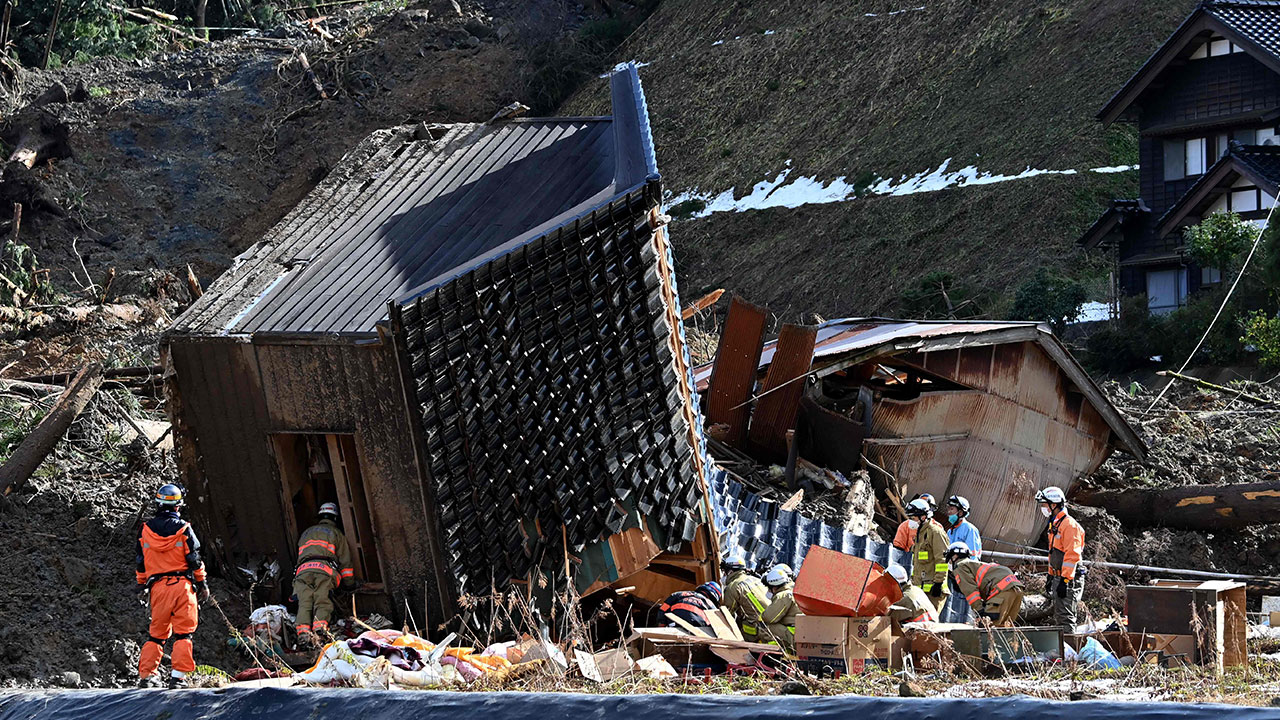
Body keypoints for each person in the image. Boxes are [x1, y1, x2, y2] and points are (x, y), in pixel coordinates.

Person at [135, 483, 208, 689]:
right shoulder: (184, 528)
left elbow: (140, 562)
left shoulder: (145, 530)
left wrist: (142, 586)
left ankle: (147, 676)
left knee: (156, 634)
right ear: (178, 506)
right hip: (183, 587)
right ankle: (178, 678)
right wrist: (202, 583)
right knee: (184, 634)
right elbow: (194, 560)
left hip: (158, 588)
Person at [293, 503, 355, 641]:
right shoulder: (336, 533)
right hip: (324, 571)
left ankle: (303, 634)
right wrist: (349, 584)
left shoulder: (306, 533)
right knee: (322, 601)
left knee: (304, 602)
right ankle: (319, 633)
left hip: (302, 572)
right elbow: (345, 564)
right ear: (335, 518)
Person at [1037, 486, 1085, 628]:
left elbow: (1072, 555)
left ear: (1054, 504)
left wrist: (1065, 580)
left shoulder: (1069, 525)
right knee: (1060, 615)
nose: (1043, 508)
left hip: (1069, 579)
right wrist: (1051, 576)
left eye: (1045, 505)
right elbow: (1054, 553)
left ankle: (1069, 648)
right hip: (1060, 577)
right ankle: (1065, 647)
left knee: (1066, 618)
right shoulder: (1056, 523)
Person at [945, 542, 1024, 627]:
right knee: (1005, 627)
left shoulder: (960, 566)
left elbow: (970, 591)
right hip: (1016, 588)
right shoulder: (974, 564)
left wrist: (980, 610)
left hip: (1001, 590)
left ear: (954, 556)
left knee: (987, 626)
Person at [941, 495, 982, 623]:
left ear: (961, 512)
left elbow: (973, 557)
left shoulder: (970, 530)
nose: (948, 512)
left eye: (951, 509)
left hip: (964, 574)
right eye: (948, 509)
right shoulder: (949, 531)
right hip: (951, 573)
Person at [906, 498, 950, 611]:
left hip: (933, 591)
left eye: (913, 518)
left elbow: (943, 559)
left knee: (929, 625)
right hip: (920, 590)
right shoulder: (920, 535)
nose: (910, 521)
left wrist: (938, 583)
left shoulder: (935, 532)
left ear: (923, 517)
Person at [721, 554, 770, 642]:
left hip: (759, 629)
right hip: (772, 624)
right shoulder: (755, 579)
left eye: (724, 572)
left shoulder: (733, 587)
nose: (723, 575)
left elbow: (727, 615)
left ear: (730, 572)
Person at [761, 564, 798, 652]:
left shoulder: (783, 595)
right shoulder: (794, 588)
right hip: (801, 634)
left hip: (795, 636)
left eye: (769, 587)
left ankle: (774, 653)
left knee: (767, 628)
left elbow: (768, 618)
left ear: (774, 587)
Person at [658, 582, 723, 630]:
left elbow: (663, 609)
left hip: (673, 625)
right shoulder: (710, 604)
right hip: (696, 630)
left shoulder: (680, 594)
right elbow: (717, 625)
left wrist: (662, 626)